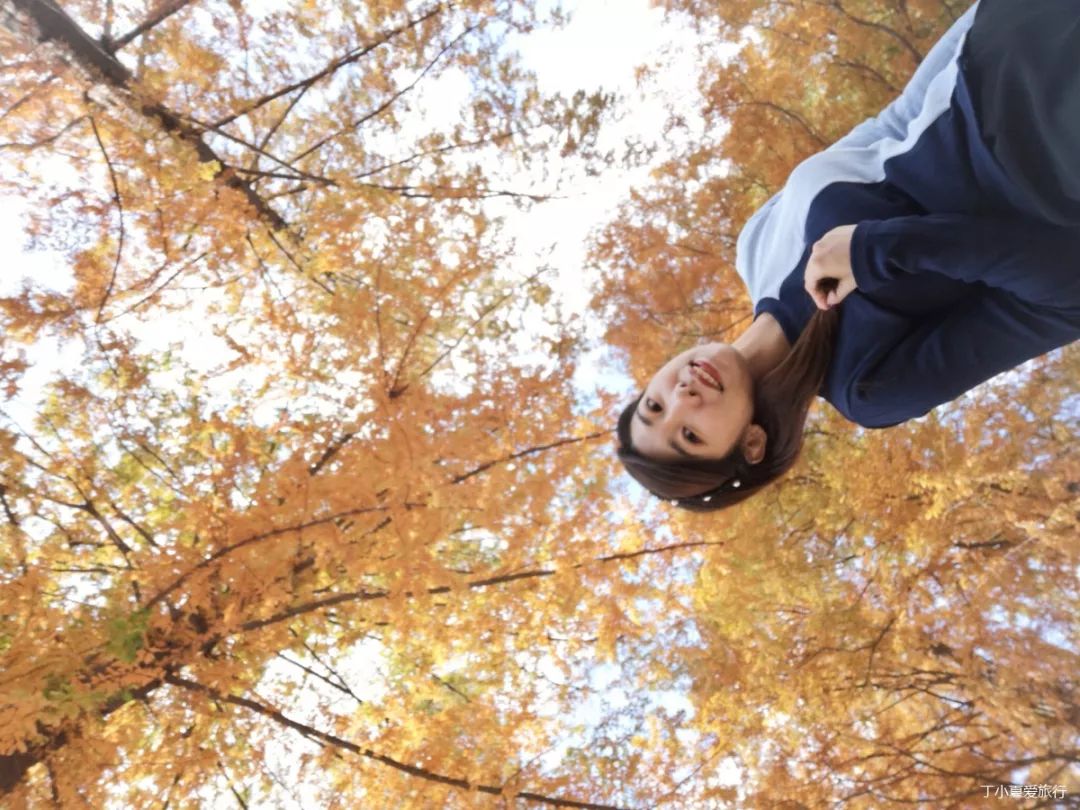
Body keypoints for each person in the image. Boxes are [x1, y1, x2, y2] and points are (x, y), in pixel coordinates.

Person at [616, 0, 1080, 512]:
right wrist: (880, 250)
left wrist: (981, 21)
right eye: (690, 435)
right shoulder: (870, 387)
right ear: (751, 444)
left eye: (653, 405)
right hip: (1056, 157)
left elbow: (893, 124)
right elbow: (1067, 298)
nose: (682, 397)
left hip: (1009, 39)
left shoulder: (755, 245)